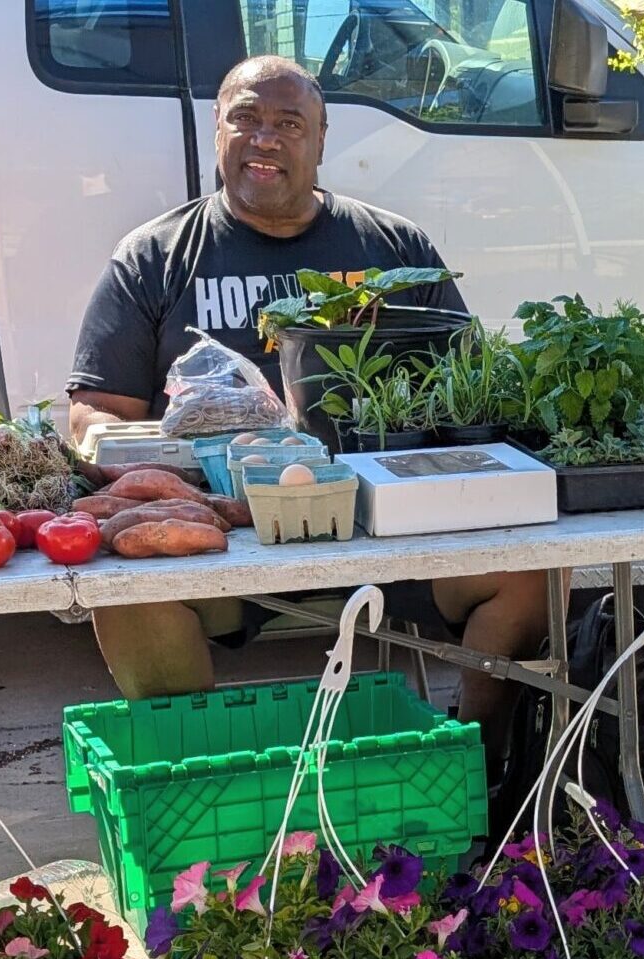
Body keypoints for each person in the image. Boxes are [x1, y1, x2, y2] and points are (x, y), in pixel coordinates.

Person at [67, 55, 545, 773]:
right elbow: (95, 411)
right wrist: (160, 465)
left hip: (388, 528)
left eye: (289, 124)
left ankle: (478, 772)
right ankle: (208, 792)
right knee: (130, 596)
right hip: (224, 538)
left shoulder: (392, 248)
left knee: (527, 575)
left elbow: (469, 385)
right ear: (217, 129)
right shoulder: (155, 257)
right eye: (245, 118)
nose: (264, 138)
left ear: (321, 141)